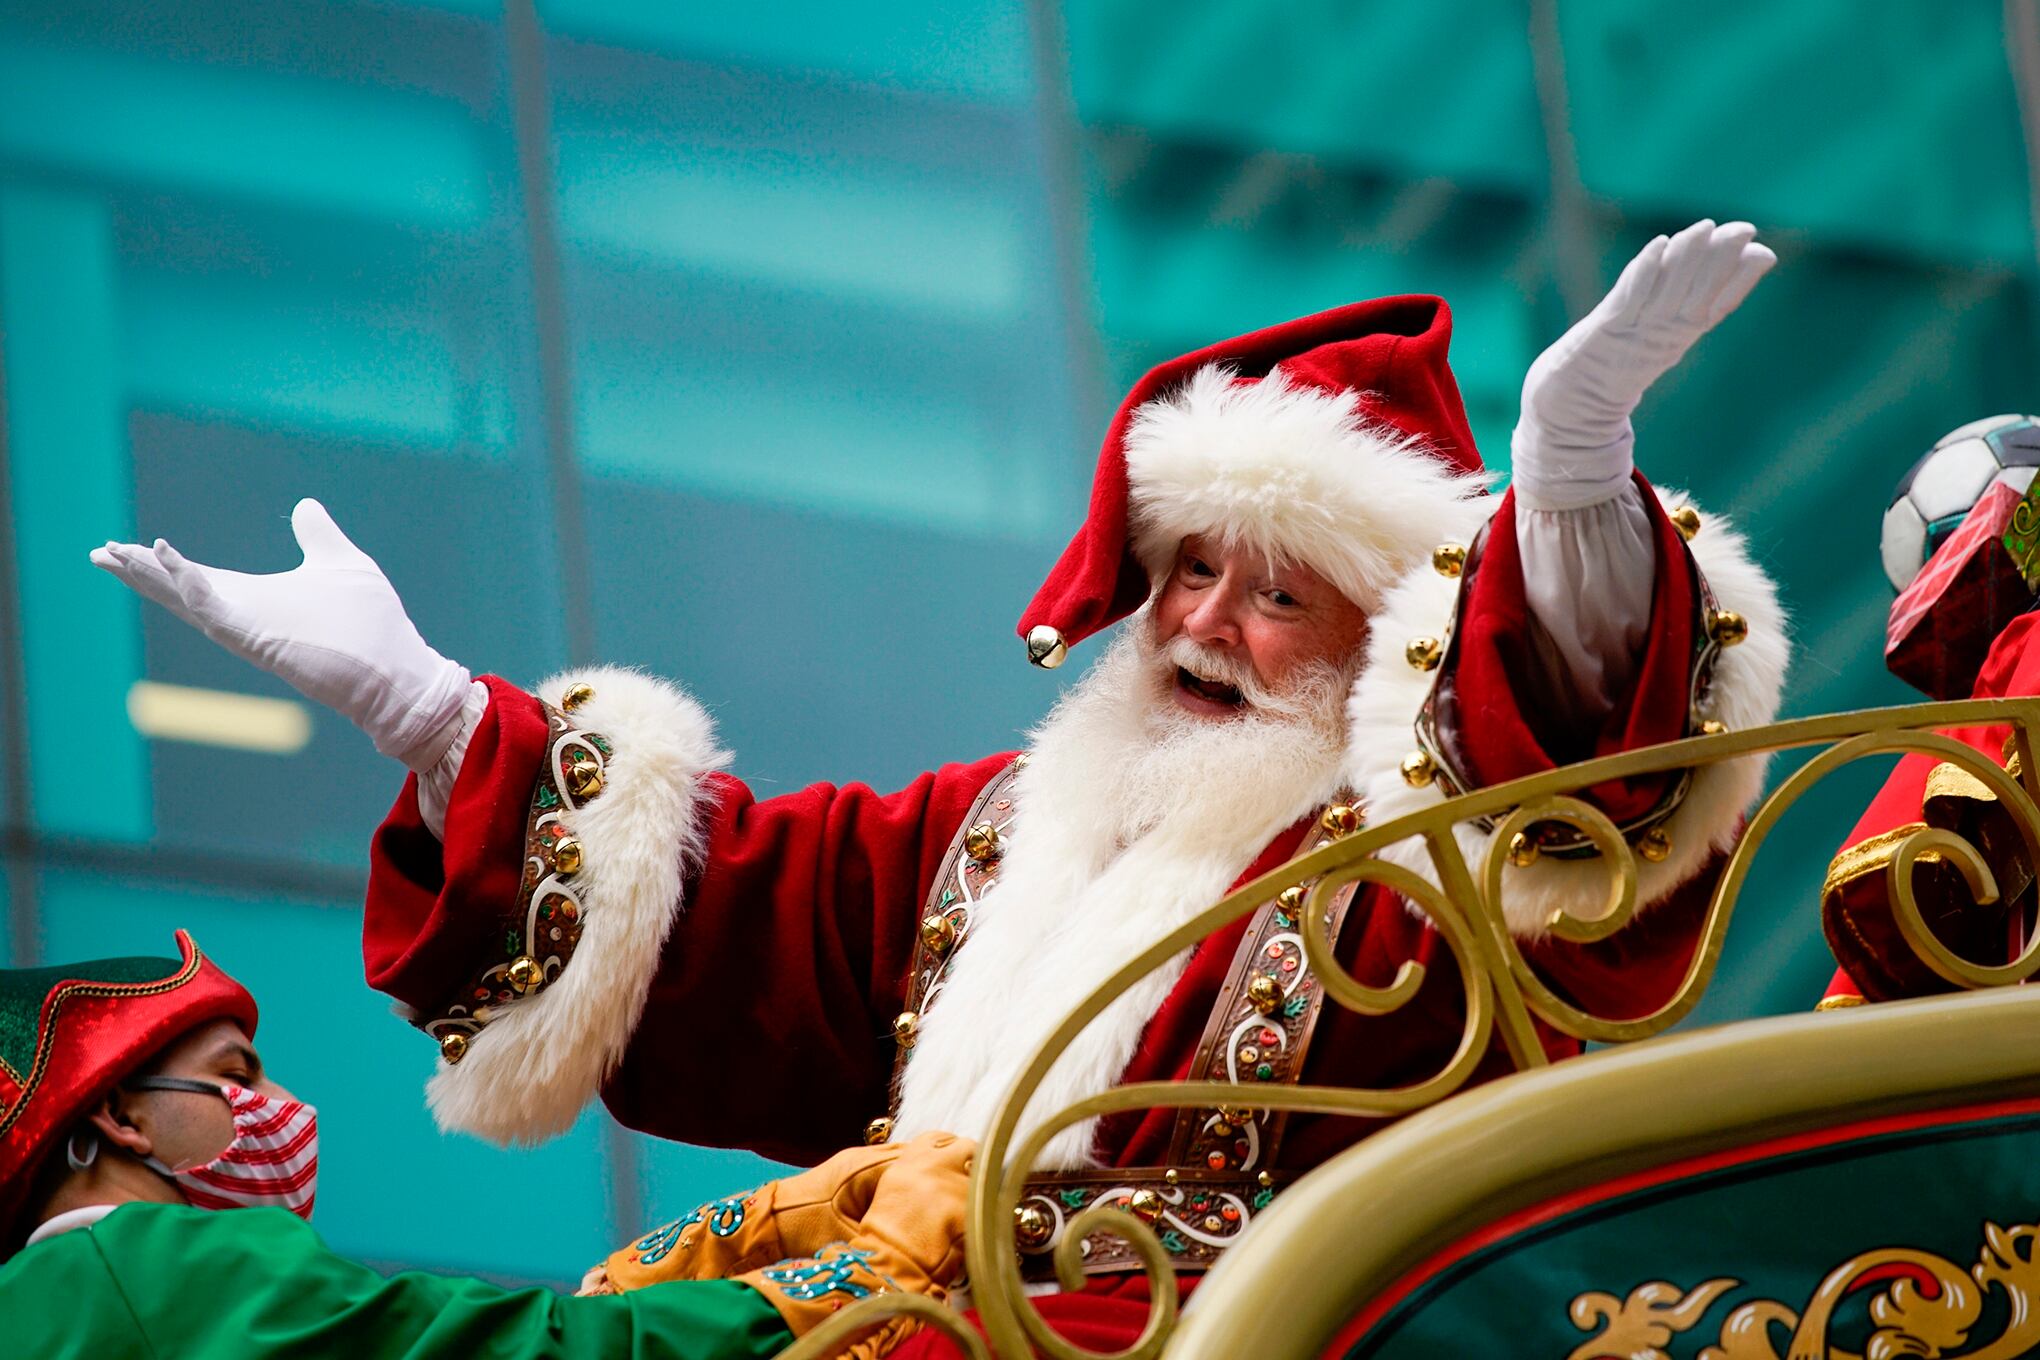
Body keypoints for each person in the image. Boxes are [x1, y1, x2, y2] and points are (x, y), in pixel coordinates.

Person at [93, 220, 1791, 1350]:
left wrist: (1571, 485)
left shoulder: (1426, 856)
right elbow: (723, 903)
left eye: (1277, 594)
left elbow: (1569, 756)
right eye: (1186, 571)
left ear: (1389, 642)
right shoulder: (1005, 825)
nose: (1204, 625)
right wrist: (427, 707)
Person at [0, 930, 974, 1359]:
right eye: (238, 1071)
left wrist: (653, 1280)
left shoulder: (52, 1308)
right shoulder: (156, 1262)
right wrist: (842, 1283)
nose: (283, 1104)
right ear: (118, 1116)